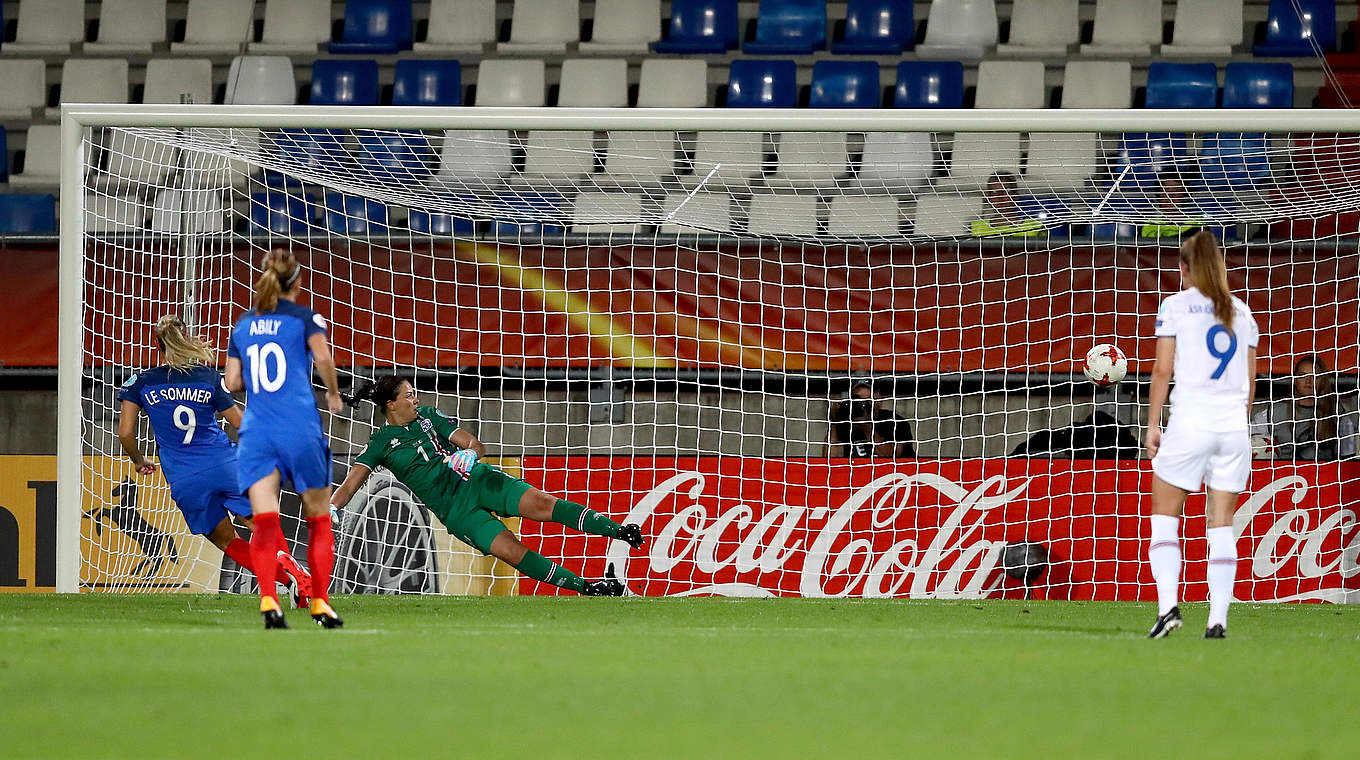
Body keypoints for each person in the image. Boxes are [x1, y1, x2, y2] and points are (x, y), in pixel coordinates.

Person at [332, 376, 644, 596]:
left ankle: (619, 531)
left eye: (415, 393)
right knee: (510, 550)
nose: (416, 399)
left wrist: (467, 454)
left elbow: (473, 443)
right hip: (456, 511)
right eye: (409, 395)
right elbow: (350, 485)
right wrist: (332, 508)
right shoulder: (380, 443)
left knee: (541, 504)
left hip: (476, 480)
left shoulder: (428, 416)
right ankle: (588, 587)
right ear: (391, 404)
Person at [116, 315, 312, 604]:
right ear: (187, 337)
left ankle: (289, 582)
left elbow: (125, 433)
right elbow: (239, 423)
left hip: (185, 479)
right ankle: (291, 567)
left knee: (226, 540)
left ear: (157, 345)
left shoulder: (140, 383)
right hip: (226, 465)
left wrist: (138, 460)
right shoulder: (208, 378)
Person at [1144, 231, 1259, 640]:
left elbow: (1162, 370)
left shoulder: (1175, 306)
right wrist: (1236, 425)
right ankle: (1218, 620)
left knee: (1164, 517)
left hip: (1191, 422)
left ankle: (1167, 608)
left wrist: (1154, 424)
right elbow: (1250, 382)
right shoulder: (1242, 313)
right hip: (1232, 427)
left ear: (1185, 268)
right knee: (1221, 522)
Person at [225, 248, 346, 630]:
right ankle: (321, 603)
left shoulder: (243, 325)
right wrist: (333, 392)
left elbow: (232, 382)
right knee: (318, 520)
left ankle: (268, 599)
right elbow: (324, 359)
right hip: (299, 429)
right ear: (298, 282)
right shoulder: (305, 318)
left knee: (263, 521)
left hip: (257, 432)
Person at [1250, 355, 1358, 460]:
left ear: (1322, 381)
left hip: (1323, 475)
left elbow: (1347, 460)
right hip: (1282, 475)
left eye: (1315, 376)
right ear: (1295, 379)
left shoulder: (1338, 415)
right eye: (1303, 375)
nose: (1308, 381)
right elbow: (1250, 441)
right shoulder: (1272, 414)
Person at [826, 379, 915, 458]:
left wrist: (868, 430)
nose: (862, 405)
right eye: (858, 400)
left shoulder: (894, 421)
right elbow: (830, 457)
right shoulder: (845, 423)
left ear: (879, 401)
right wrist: (834, 420)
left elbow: (890, 456)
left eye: (867, 400)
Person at [970, 171, 1042, 238]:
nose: (1000, 196)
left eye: (1007, 191)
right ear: (989, 198)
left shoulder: (1034, 227)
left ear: (1015, 195)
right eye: (995, 192)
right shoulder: (976, 228)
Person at [1139, 171, 1205, 239]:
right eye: (1165, 191)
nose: (1170, 196)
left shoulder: (1198, 223)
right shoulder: (1148, 225)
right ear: (1158, 196)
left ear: (1186, 196)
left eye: (1176, 191)